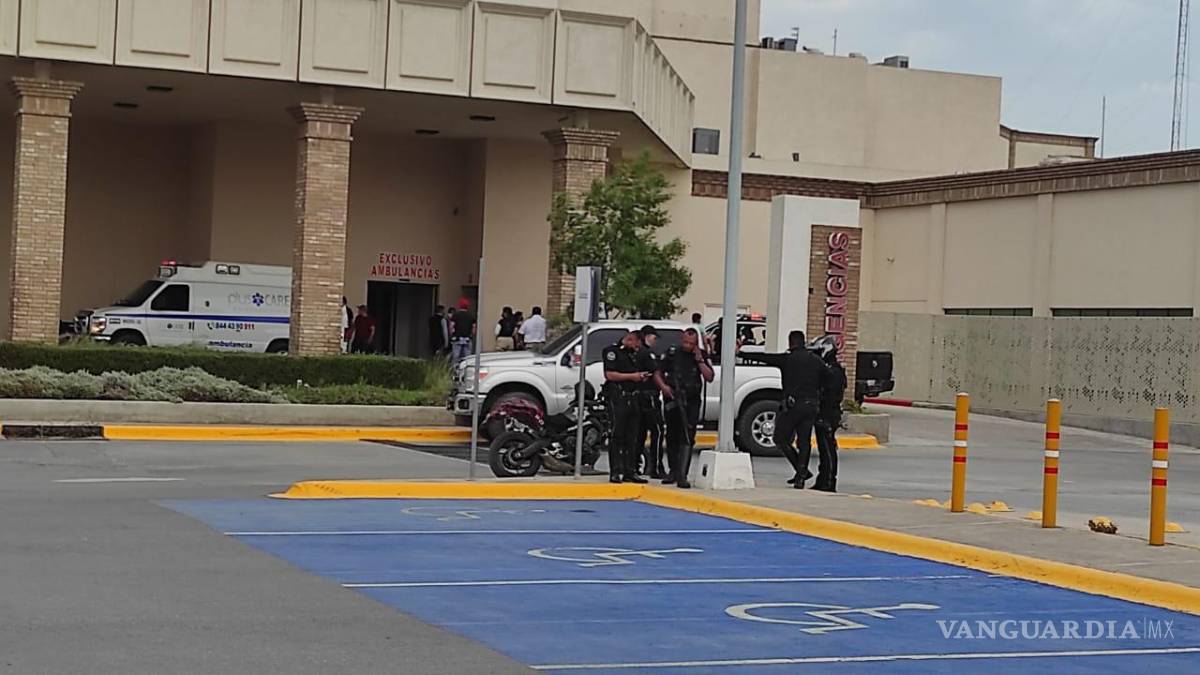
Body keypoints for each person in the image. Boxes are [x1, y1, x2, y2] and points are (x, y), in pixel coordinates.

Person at [738, 330, 832, 489]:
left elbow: (765, 358)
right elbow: (828, 377)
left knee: (780, 438)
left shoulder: (788, 359)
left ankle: (801, 470)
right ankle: (801, 475)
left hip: (793, 406)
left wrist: (741, 353)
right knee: (804, 441)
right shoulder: (815, 360)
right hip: (811, 405)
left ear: (791, 342)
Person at [654, 328, 714, 489]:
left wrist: (700, 360)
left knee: (687, 436)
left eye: (691, 343)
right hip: (673, 398)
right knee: (672, 435)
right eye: (685, 342)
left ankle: (683, 475)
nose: (687, 345)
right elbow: (658, 373)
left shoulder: (701, 355)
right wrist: (664, 387)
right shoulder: (672, 353)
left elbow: (709, 377)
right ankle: (673, 471)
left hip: (691, 401)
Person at [602, 330, 651, 485]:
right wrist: (632, 377)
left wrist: (641, 377)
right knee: (617, 435)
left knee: (632, 437)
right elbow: (610, 375)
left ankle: (630, 471)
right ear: (630, 339)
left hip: (633, 397)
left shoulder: (633, 355)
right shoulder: (612, 352)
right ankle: (616, 471)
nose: (637, 349)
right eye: (636, 345)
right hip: (618, 398)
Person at [812, 335, 848, 493]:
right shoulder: (828, 369)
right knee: (823, 449)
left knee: (828, 449)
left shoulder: (834, 371)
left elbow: (830, 395)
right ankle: (822, 479)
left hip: (829, 414)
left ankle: (829, 481)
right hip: (824, 413)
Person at [635, 325, 665, 479]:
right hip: (649, 398)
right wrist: (664, 387)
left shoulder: (636, 353)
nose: (655, 341)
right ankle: (656, 467)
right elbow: (655, 372)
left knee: (639, 433)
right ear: (646, 336)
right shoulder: (647, 354)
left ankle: (635, 466)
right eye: (654, 337)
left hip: (638, 398)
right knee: (657, 431)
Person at [450, 299, 476, 365]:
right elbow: (474, 328)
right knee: (467, 358)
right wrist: (471, 336)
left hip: (457, 338)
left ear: (460, 306)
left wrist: (452, 335)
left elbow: (451, 326)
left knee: (456, 357)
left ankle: (455, 369)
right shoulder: (471, 316)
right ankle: (466, 368)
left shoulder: (455, 315)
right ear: (467, 306)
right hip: (467, 339)